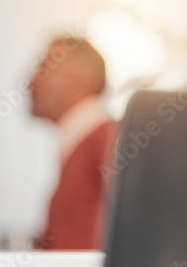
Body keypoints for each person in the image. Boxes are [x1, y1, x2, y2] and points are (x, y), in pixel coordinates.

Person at [27, 36, 119, 250]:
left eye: (42, 68)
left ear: (76, 81)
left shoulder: (107, 138)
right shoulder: (80, 142)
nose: (30, 83)